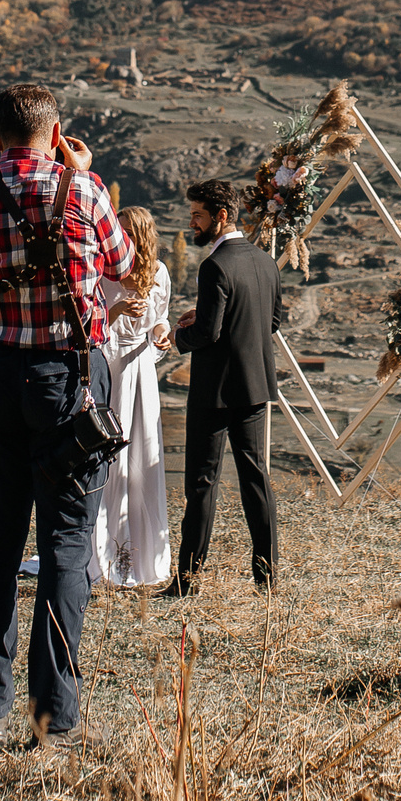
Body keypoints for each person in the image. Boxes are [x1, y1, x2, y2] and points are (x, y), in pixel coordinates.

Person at [0, 83, 132, 753]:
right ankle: (53, 716)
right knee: (63, 543)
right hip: (67, 378)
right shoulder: (82, 191)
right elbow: (124, 264)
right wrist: (82, 174)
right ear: (54, 131)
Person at [167, 178, 279, 596]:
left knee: (201, 484)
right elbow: (269, 323)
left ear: (222, 216)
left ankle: (187, 582)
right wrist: (211, 314)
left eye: (198, 215)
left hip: (214, 393)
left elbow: (207, 336)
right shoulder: (265, 262)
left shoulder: (214, 265)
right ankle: (266, 579)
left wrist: (176, 339)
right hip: (254, 388)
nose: (191, 223)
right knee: (256, 479)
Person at [90, 207, 172, 589]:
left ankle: (142, 554)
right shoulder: (102, 272)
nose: (118, 238)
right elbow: (88, 324)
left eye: (125, 232)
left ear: (141, 235)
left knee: (143, 453)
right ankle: (104, 557)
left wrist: (160, 330)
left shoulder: (159, 273)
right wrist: (117, 308)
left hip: (142, 369)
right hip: (110, 366)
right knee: (109, 457)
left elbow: (162, 317)